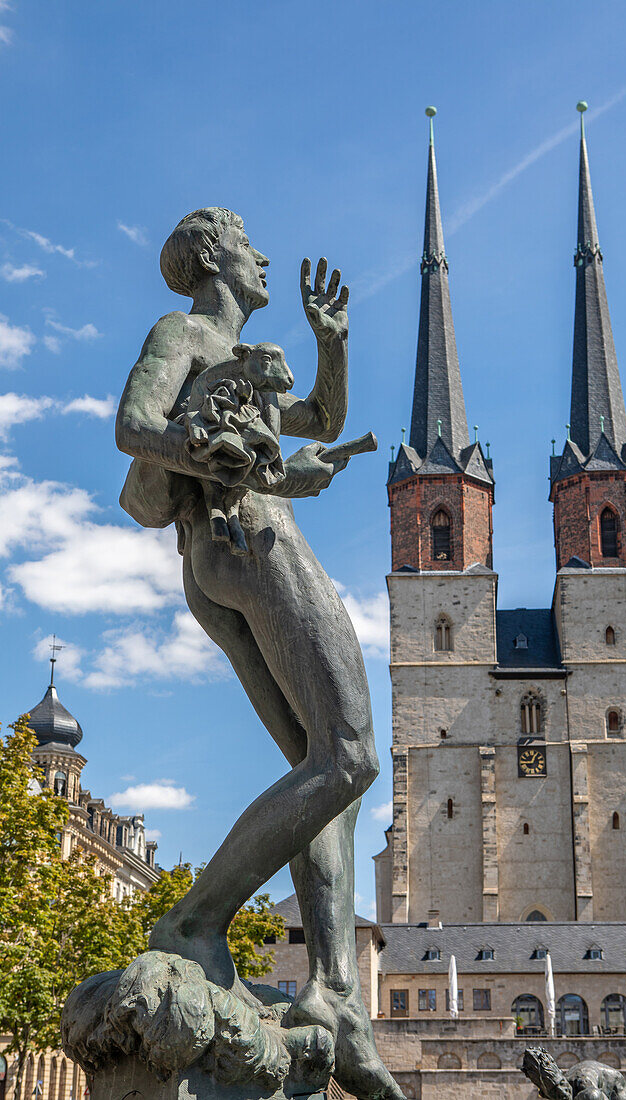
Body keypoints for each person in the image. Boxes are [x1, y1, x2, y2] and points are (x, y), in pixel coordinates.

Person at [116, 207, 403, 1100]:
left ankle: (333, 994)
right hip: (253, 542)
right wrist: (232, 461)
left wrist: (333, 346)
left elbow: (319, 415)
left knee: (325, 779)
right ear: (211, 256)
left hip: (223, 556)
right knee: (352, 754)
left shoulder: (246, 355)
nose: (263, 253)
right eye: (246, 241)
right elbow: (135, 425)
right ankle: (198, 922)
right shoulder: (185, 330)